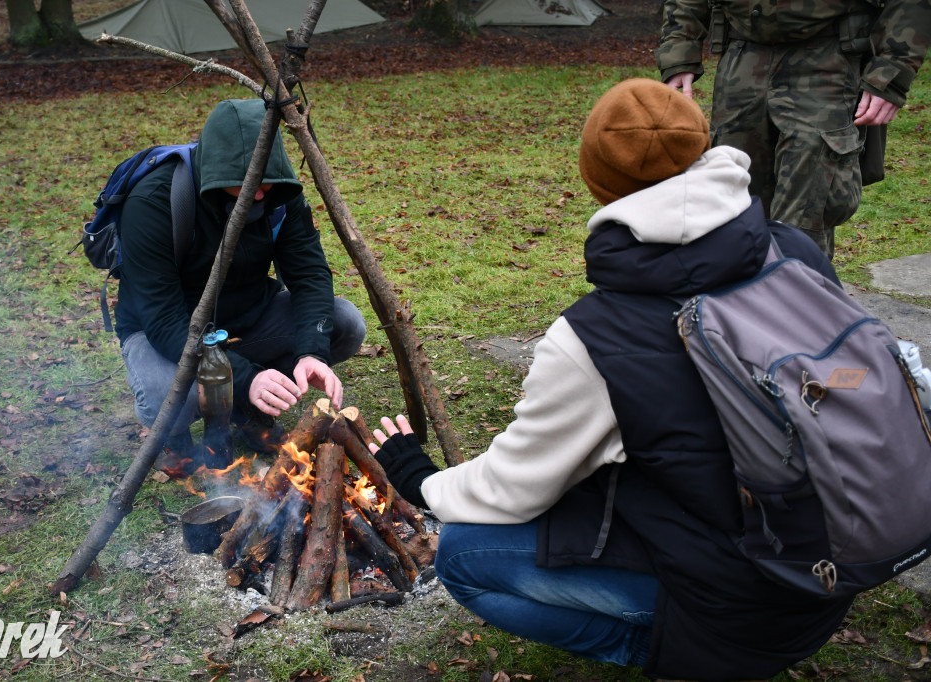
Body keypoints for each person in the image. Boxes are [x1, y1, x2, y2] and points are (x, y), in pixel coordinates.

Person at [368, 79, 854, 681]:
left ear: (597, 182)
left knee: (464, 555)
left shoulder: (597, 337)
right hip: (830, 571)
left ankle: (667, 653)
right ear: (704, 147)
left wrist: (421, 479)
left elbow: (512, 488)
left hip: (743, 614)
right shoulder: (796, 251)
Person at [114, 98, 366, 470]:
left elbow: (310, 274)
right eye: (249, 184)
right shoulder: (154, 203)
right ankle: (177, 434)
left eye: (268, 180)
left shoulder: (278, 193)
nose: (261, 193)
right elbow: (164, 323)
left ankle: (249, 413)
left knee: (344, 323)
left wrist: (312, 351)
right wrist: (245, 377)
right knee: (161, 391)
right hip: (165, 333)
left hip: (249, 316)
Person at [656, 0, 931, 258]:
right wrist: (679, 51)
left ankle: (798, 300)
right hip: (742, 56)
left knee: (807, 208)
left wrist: (892, 69)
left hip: (827, 57)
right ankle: (736, 304)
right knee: (731, 194)